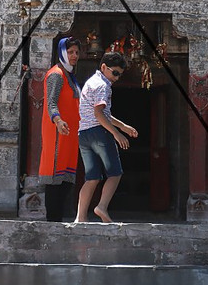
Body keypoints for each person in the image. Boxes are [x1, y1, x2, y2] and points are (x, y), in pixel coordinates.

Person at [75, 51, 138, 223]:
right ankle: (101, 207)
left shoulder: (90, 82)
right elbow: (99, 114)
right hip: (99, 132)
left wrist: (123, 126)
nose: (116, 78)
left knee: (92, 177)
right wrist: (117, 134)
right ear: (104, 67)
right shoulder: (104, 86)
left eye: (119, 74)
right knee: (115, 173)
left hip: (84, 134)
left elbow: (102, 113)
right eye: (115, 73)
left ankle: (80, 218)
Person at [38, 37, 82, 222]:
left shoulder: (69, 75)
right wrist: (57, 120)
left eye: (77, 52)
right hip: (58, 133)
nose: (74, 56)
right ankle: (52, 222)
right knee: (55, 181)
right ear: (62, 52)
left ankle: (58, 221)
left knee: (65, 181)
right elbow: (51, 102)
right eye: (70, 52)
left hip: (70, 136)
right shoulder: (56, 74)